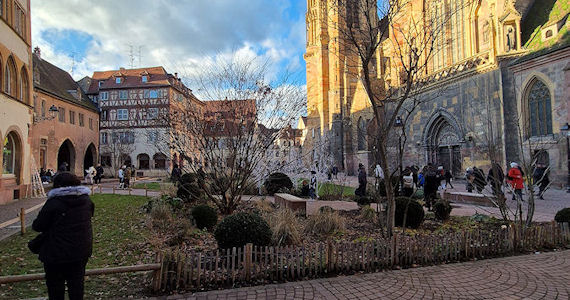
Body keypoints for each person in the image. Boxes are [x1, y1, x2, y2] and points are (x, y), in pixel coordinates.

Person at [32, 172, 94, 300]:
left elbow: (38, 226)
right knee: (77, 287)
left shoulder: (54, 203)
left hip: (56, 253)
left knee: (55, 288)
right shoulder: (86, 201)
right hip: (80, 250)